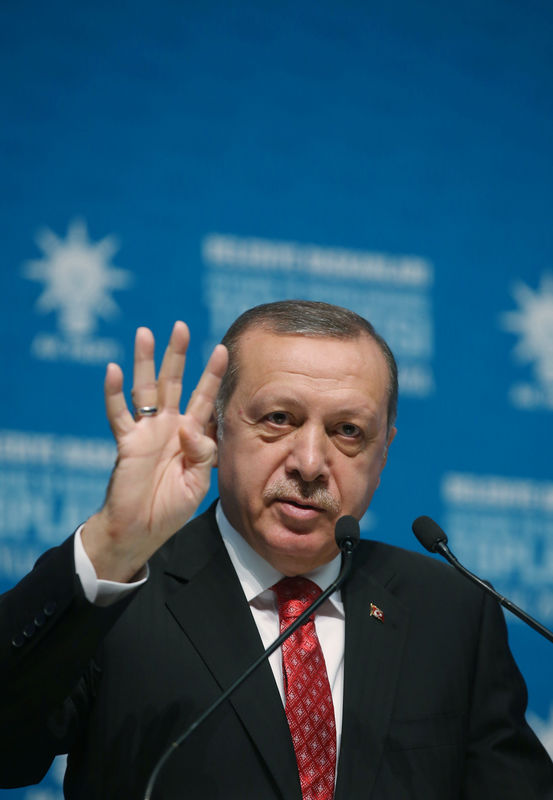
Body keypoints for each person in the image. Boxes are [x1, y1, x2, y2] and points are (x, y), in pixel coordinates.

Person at [1, 300, 552, 799]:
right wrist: (113, 544)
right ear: (216, 428)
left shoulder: (451, 612)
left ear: (383, 455)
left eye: (348, 431)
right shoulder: (116, 597)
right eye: (279, 419)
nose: (309, 463)